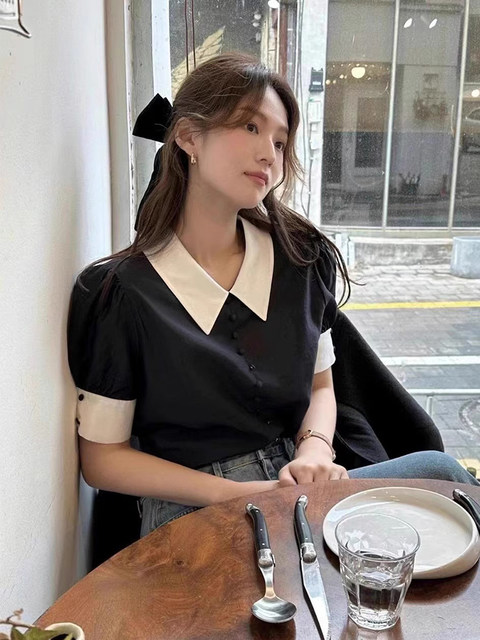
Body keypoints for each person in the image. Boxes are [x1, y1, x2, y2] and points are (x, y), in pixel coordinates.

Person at [67, 52, 478, 539]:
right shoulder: (121, 293)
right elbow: (103, 460)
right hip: (192, 506)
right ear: (188, 137)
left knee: (443, 477)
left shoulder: (301, 259)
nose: (270, 154)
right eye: (251, 127)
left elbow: (322, 387)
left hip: (298, 482)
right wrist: (240, 493)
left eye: (280, 142)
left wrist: (315, 449)